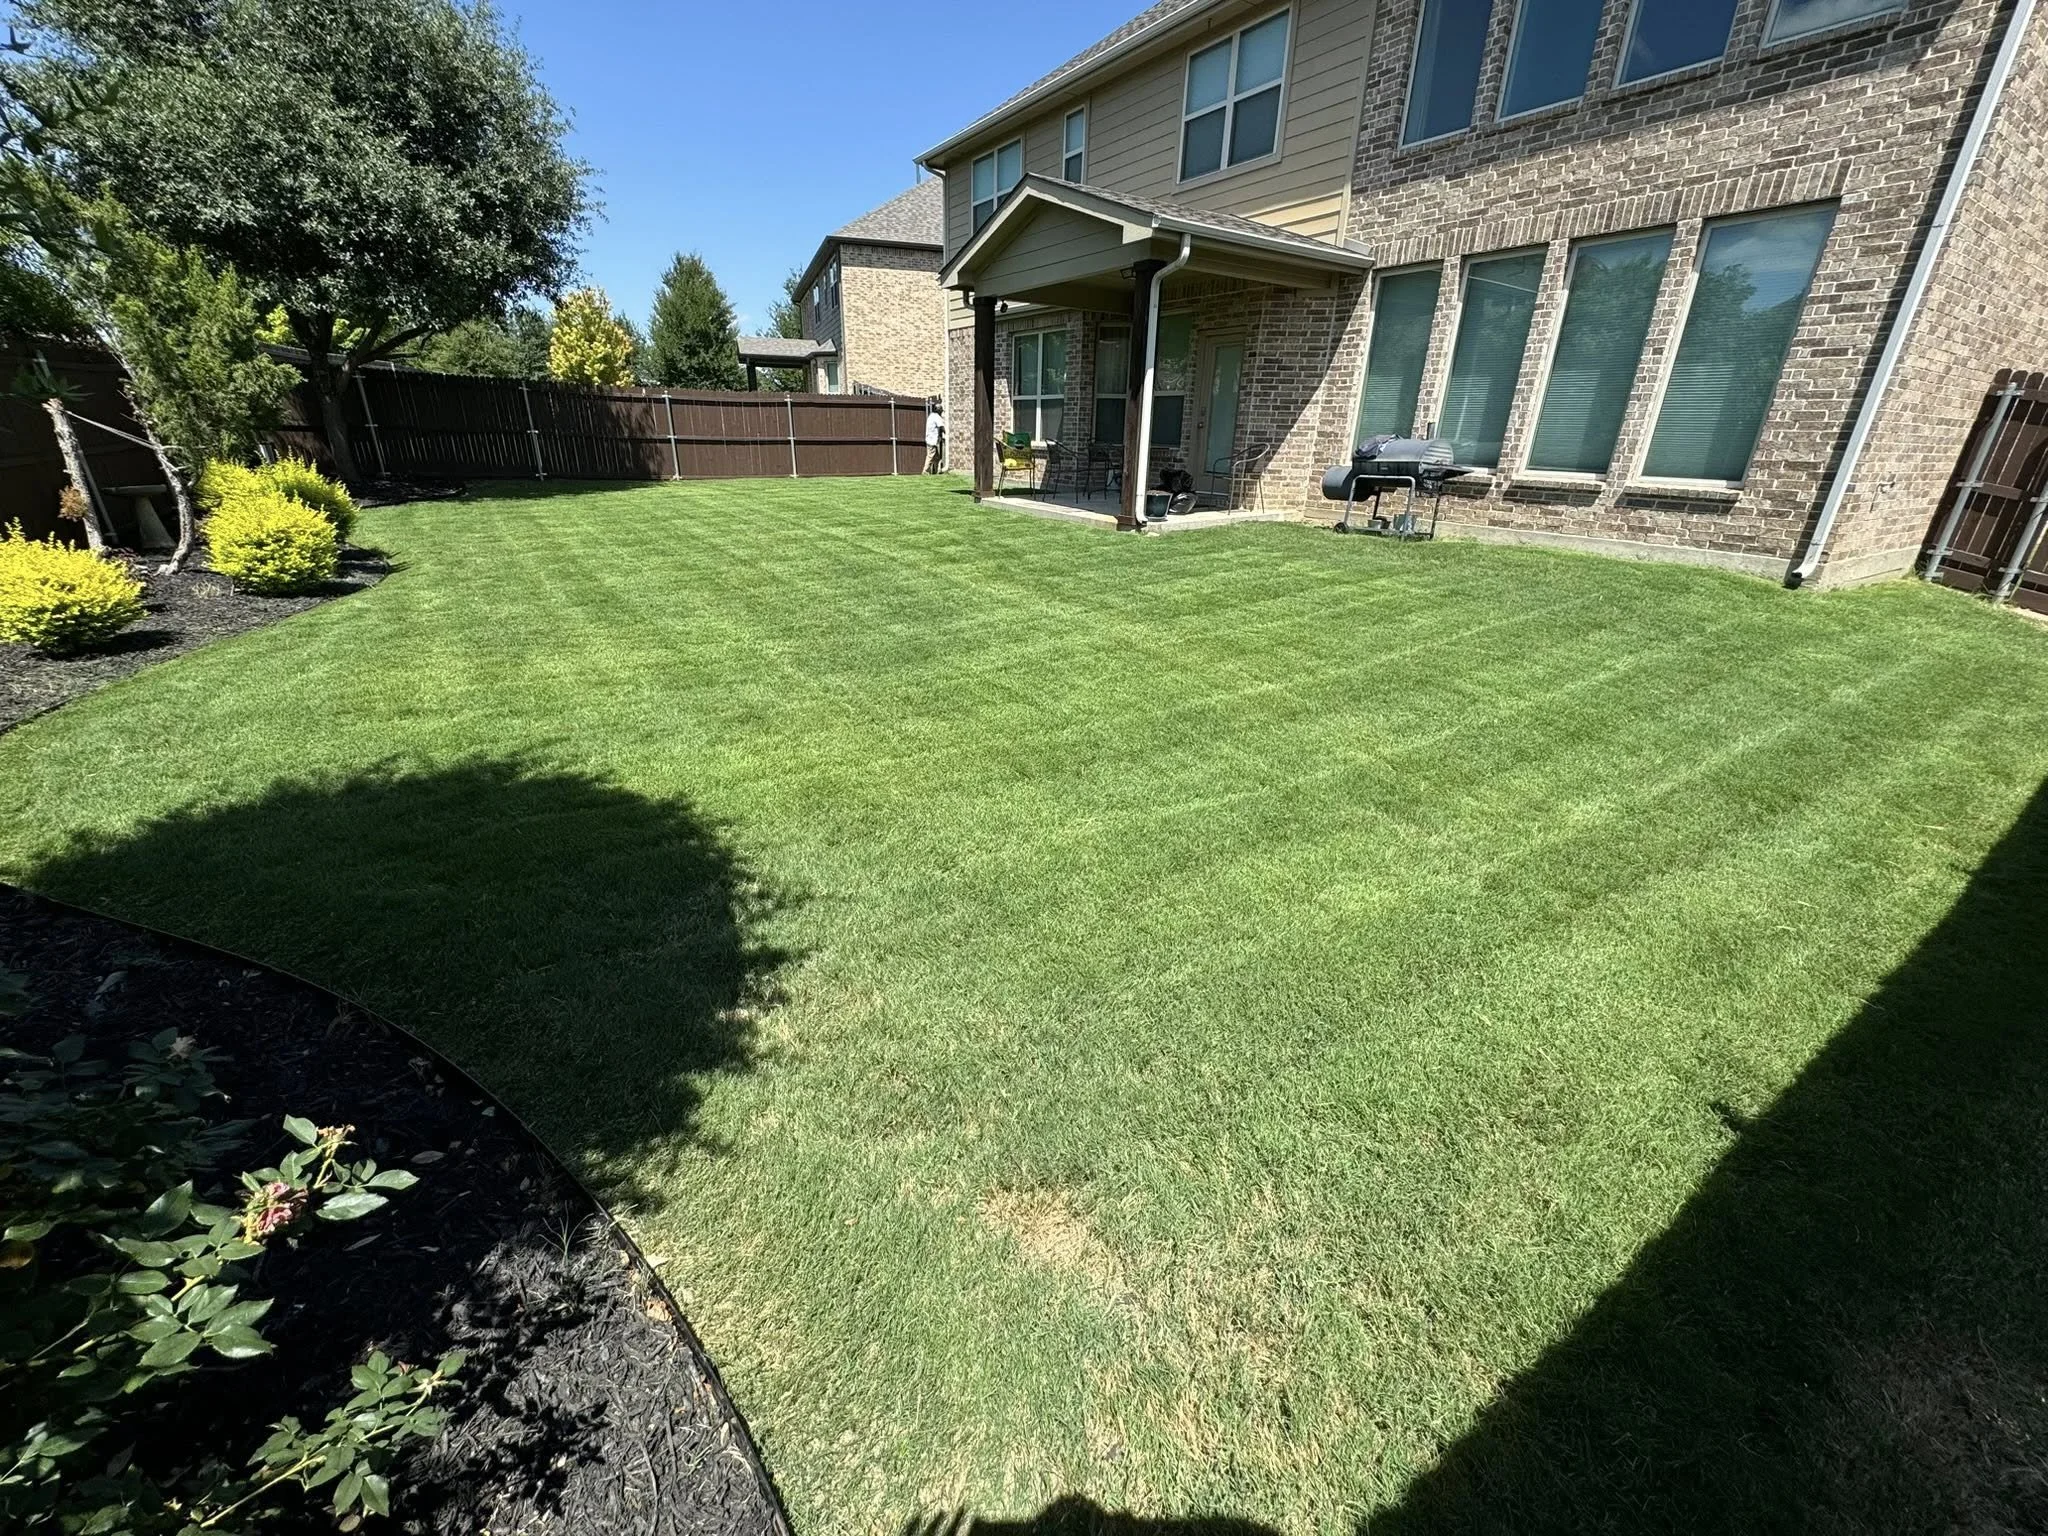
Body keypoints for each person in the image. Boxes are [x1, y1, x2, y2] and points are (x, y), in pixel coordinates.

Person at [924, 400, 946, 474]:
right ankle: (925, 471)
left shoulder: (931, 416)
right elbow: (941, 427)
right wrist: (946, 434)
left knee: (936, 458)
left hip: (929, 439)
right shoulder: (937, 417)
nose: (941, 412)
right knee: (930, 456)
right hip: (932, 440)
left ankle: (937, 471)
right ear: (938, 410)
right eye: (941, 410)